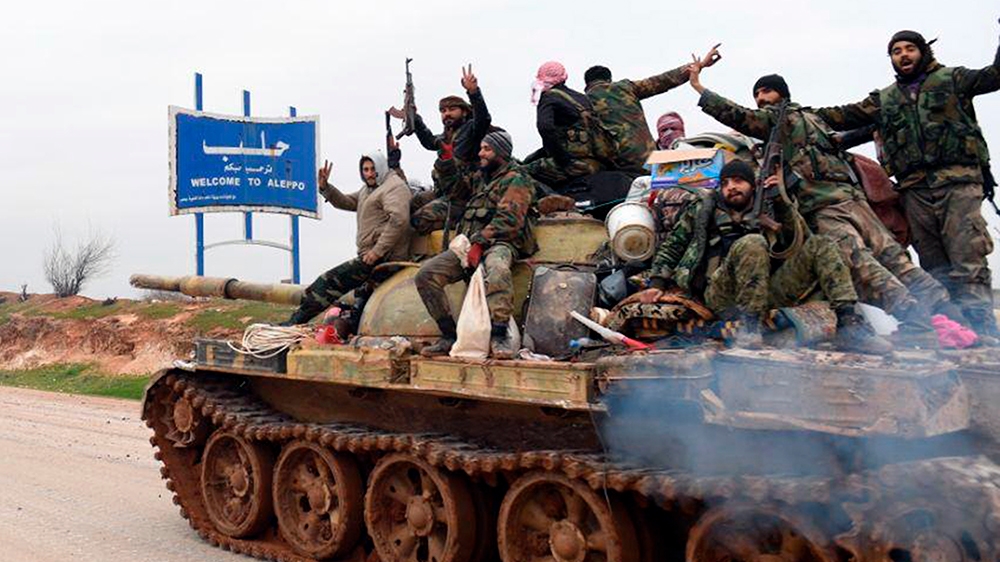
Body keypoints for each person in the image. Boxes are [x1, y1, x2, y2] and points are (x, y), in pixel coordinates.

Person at [687, 57, 961, 344]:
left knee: (860, 262)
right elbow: (856, 116)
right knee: (893, 257)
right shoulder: (817, 119)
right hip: (853, 199)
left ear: (782, 94)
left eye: (766, 91)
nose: (760, 98)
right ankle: (950, 313)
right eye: (756, 94)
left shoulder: (778, 121)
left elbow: (737, 115)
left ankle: (914, 318)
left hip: (824, 206)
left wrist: (699, 89)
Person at [814, 28, 1000, 339]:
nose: (903, 55)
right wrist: (794, 115)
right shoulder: (885, 100)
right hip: (914, 189)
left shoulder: (953, 79)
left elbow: (995, 76)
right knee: (933, 263)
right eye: (896, 51)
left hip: (958, 182)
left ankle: (982, 329)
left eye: (909, 49)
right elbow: (842, 116)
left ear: (923, 51)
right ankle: (953, 329)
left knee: (967, 254)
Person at [635, 160, 892, 353]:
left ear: (752, 185)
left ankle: (850, 324)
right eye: (725, 183)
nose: (731, 187)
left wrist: (780, 202)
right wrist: (657, 283)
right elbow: (673, 246)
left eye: (738, 181)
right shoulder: (704, 209)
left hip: (767, 290)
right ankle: (749, 328)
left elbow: (796, 239)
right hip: (721, 293)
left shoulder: (769, 206)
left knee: (822, 244)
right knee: (752, 242)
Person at [415, 131, 539, 358]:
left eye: (487, 149)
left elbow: (509, 221)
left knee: (497, 270)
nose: (481, 153)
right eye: (481, 148)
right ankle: (449, 335)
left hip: (501, 243)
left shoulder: (517, 179)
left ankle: (500, 335)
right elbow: (454, 192)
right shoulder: (481, 178)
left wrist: (479, 244)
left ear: (501, 153)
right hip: (470, 243)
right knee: (426, 275)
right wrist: (446, 161)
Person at [285, 140, 411, 325]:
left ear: (381, 167)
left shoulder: (393, 187)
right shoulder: (370, 189)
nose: (369, 173)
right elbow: (347, 202)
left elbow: (399, 220)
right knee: (358, 299)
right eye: (365, 170)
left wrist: (377, 251)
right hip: (370, 256)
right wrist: (326, 188)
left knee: (328, 282)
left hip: (385, 258)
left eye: (373, 169)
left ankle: (293, 324)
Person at [583, 46, 718, 171]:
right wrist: (699, 65)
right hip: (647, 159)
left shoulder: (583, 103)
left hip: (616, 167)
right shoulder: (625, 88)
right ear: (609, 79)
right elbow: (663, 80)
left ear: (587, 84)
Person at [408, 65, 494, 234]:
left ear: (464, 112)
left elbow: (483, 119)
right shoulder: (446, 136)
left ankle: (463, 225)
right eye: (443, 111)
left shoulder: (471, 130)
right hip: (444, 191)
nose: (447, 114)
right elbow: (429, 142)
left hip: (464, 195)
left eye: (452, 109)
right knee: (411, 203)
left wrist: (473, 92)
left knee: (420, 218)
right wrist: (415, 119)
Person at [522, 61, 614, 189]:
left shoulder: (548, 97)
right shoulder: (583, 98)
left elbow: (545, 127)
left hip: (575, 165)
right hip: (596, 162)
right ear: (565, 77)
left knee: (517, 174)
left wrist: (563, 160)